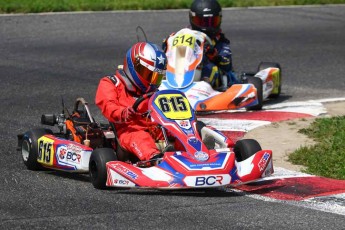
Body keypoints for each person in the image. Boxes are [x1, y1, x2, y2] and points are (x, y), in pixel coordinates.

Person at [95, 42, 168, 164]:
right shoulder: (111, 83)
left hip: (155, 128)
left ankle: (198, 155)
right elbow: (108, 106)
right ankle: (156, 160)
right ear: (134, 67)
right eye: (149, 75)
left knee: (178, 132)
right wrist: (123, 112)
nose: (152, 82)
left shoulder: (155, 91)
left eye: (156, 77)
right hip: (128, 130)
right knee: (141, 138)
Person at [163, 0, 237, 90]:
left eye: (212, 22)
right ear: (192, 18)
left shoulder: (220, 42)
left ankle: (203, 91)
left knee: (211, 68)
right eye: (202, 22)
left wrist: (213, 55)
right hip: (186, 69)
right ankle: (166, 81)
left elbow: (226, 65)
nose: (207, 26)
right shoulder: (184, 35)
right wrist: (167, 46)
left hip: (210, 82)